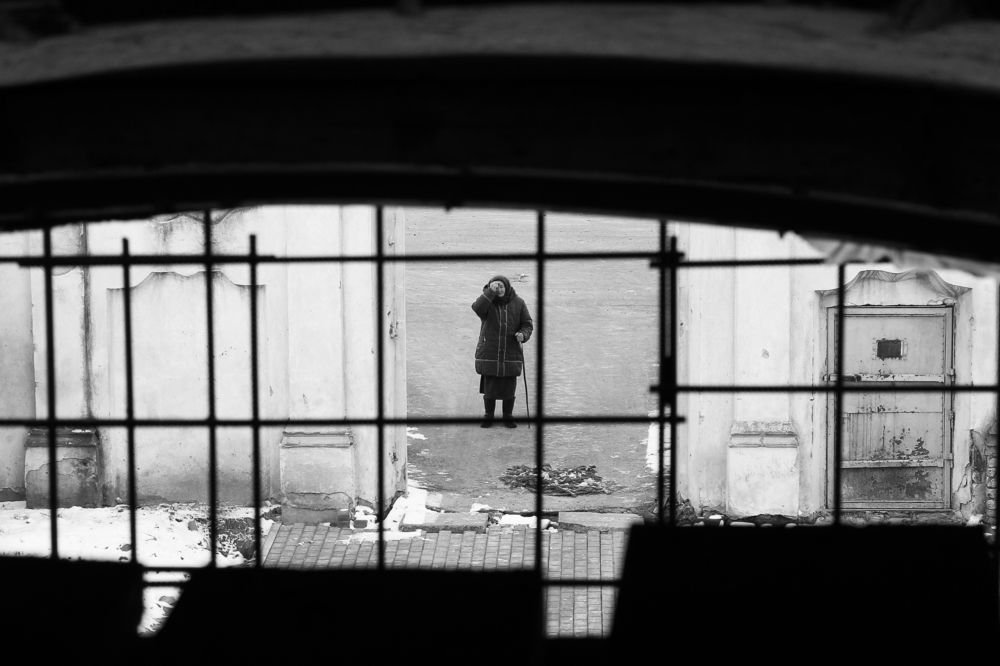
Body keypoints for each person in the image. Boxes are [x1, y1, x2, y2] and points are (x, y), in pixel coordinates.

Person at [471, 274, 533, 428]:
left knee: (508, 387)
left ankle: (508, 416)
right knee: (490, 387)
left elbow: (527, 324)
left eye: (501, 286)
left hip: (510, 351)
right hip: (490, 351)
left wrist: (523, 335)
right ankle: (488, 415)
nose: (499, 289)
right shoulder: (487, 303)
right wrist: (489, 293)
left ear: (507, 287)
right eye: (495, 286)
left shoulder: (519, 303)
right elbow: (477, 308)